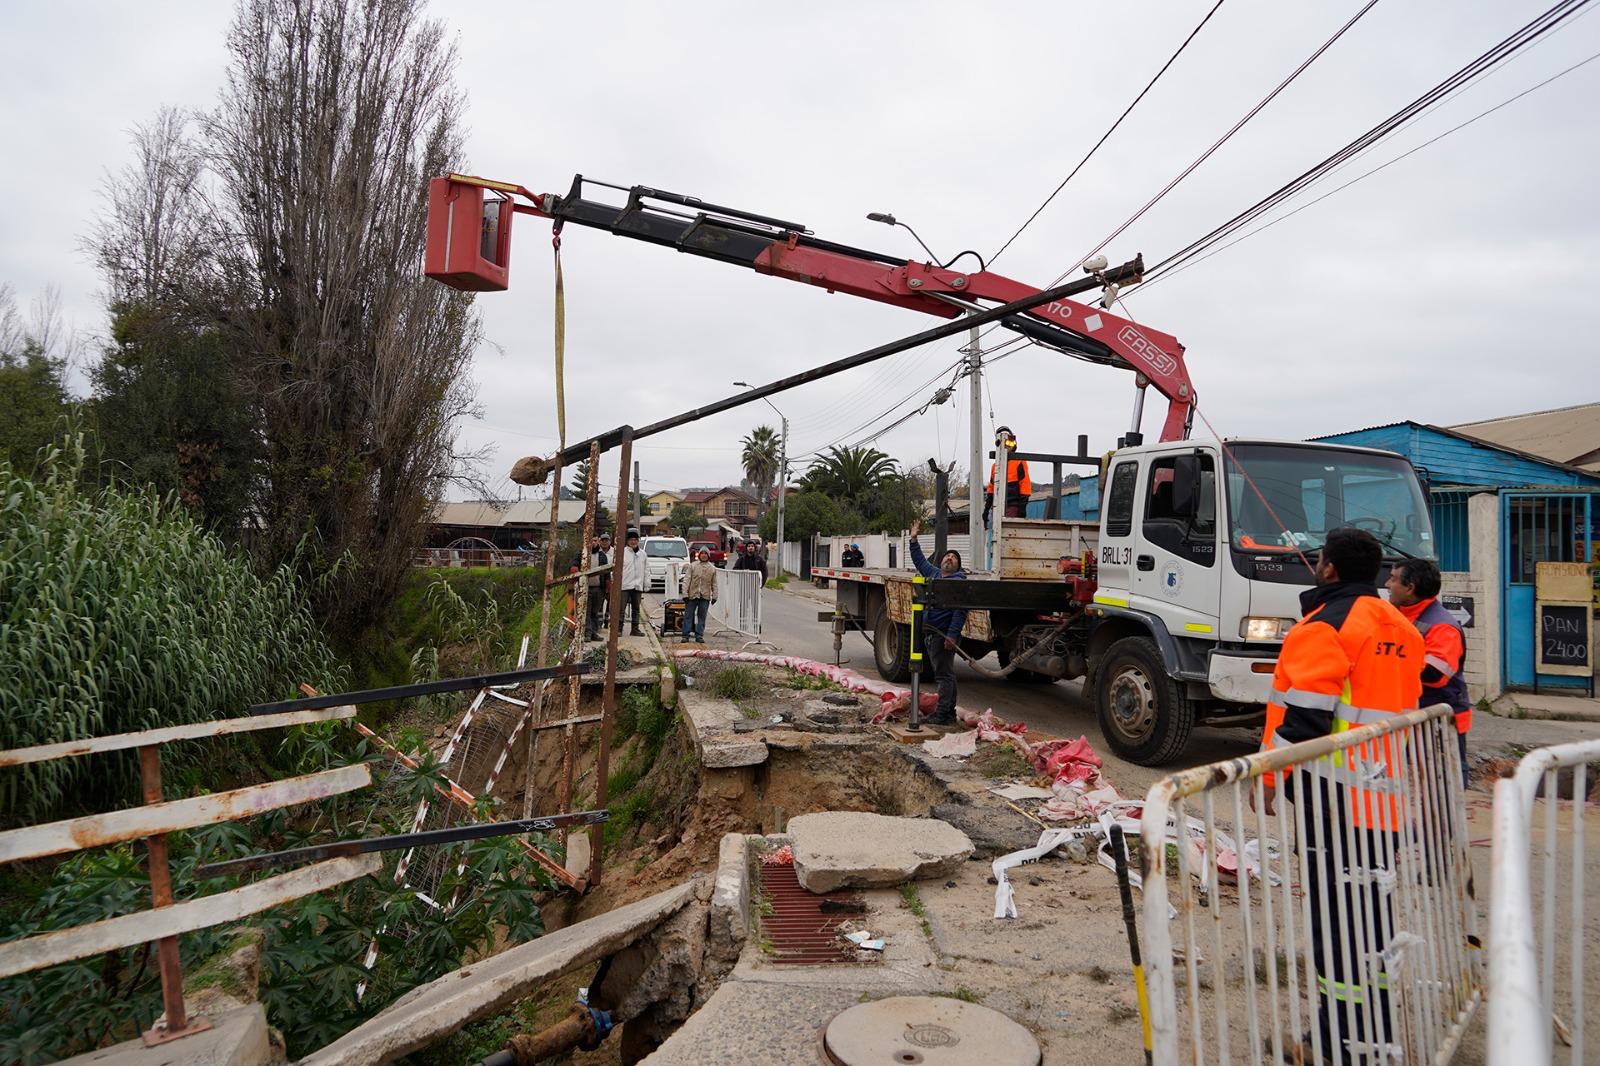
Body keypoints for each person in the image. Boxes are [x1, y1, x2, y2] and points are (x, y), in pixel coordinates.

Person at [1255, 527, 1423, 1064]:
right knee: (1370, 921)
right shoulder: (1402, 626)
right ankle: (1371, 1033)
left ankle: (1335, 1045)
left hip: (1335, 801)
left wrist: (1268, 779)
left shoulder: (1323, 627)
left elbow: (1301, 722)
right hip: (1385, 797)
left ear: (1327, 568)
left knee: (1335, 928)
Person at [1386, 558, 1470, 776]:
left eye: (1393, 579)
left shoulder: (1442, 626)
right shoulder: (1401, 616)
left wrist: (1384, 662)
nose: (1387, 584)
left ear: (1410, 587)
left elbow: (1435, 675)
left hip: (1438, 722)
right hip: (1415, 718)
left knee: (1444, 785)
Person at [907, 518, 967, 727]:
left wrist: (952, 635)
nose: (949, 558)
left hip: (943, 635)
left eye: (954, 557)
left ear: (958, 565)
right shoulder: (934, 574)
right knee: (945, 674)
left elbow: (960, 612)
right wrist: (913, 538)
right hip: (932, 633)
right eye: (947, 556)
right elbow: (920, 561)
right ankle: (947, 712)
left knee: (944, 675)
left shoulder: (958, 581)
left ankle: (943, 714)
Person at [984, 425, 1031, 527]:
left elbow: (1025, 486)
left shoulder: (1019, 462)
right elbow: (991, 489)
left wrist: (1021, 509)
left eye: (1008, 441)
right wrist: (987, 509)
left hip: (1013, 506)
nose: (1006, 445)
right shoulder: (995, 466)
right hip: (996, 507)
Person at [681, 547, 716, 643]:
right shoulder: (692, 566)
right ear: (699, 555)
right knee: (688, 616)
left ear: (708, 555)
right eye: (702, 553)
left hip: (705, 596)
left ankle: (699, 635)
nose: (704, 555)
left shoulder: (712, 569)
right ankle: (685, 635)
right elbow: (686, 580)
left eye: (706, 553)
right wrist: (685, 594)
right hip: (692, 595)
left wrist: (715, 596)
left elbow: (714, 583)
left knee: (702, 616)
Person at [620, 529, 646, 636]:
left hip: (637, 585)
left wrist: (646, 583)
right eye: (631, 539)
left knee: (636, 609)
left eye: (635, 539)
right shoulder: (622, 552)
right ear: (627, 541)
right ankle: (618, 629)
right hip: (625, 585)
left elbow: (646, 569)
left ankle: (635, 629)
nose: (633, 542)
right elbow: (616, 569)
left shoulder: (643, 554)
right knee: (621, 609)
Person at [584, 533, 608, 641]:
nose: (593, 543)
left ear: (597, 542)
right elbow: (574, 562)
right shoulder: (582, 553)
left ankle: (593, 632)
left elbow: (606, 571)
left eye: (594, 540)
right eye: (591, 540)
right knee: (587, 612)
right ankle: (588, 634)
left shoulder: (602, 555)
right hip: (586, 588)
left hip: (599, 588)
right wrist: (574, 567)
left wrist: (607, 584)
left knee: (595, 612)